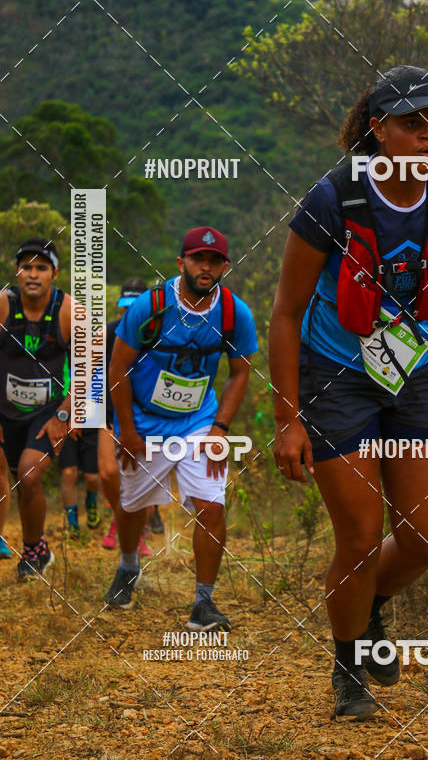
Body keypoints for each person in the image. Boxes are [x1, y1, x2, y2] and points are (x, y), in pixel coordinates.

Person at [269, 66, 428, 719]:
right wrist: (288, 420)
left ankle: (369, 607)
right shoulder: (333, 198)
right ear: (379, 129)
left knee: (424, 538)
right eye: (413, 123)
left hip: (416, 377)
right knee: (361, 537)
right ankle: (349, 670)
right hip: (337, 379)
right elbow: (286, 312)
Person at [105, 227, 258, 630]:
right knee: (133, 505)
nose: (205, 267)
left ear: (225, 266)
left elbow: (240, 373)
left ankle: (203, 604)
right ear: (181, 263)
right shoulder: (149, 306)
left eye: (214, 261)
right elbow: (117, 368)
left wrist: (220, 427)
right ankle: (127, 567)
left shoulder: (233, 313)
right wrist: (127, 429)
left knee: (212, 506)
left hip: (198, 422)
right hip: (143, 421)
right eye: (197, 259)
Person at [0, 239, 76, 579]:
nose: (32, 274)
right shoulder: (3, 305)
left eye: (41, 267)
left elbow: (92, 369)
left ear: (54, 273)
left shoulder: (69, 311)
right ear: (17, 271)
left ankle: (34, 550)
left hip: (47, 412)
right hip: (4, 409)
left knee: (29, 475)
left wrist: (64, 415)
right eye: (26, 267)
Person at [99, 278, 156, 558]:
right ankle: (120, 519)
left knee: (139, 479)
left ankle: (138, 532)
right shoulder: (109, 332)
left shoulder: (158, 336)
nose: (129, 314)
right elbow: (92, 373)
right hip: (109, 412)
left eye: (136, 308)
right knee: (108, 473)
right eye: (126, 308)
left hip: (145, 416)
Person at [57, 428, 101, 538]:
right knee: (68, 473)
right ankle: (73, 525)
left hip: (92, 423)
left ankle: (91, 502)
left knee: (92, 477)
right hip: (66, 425)